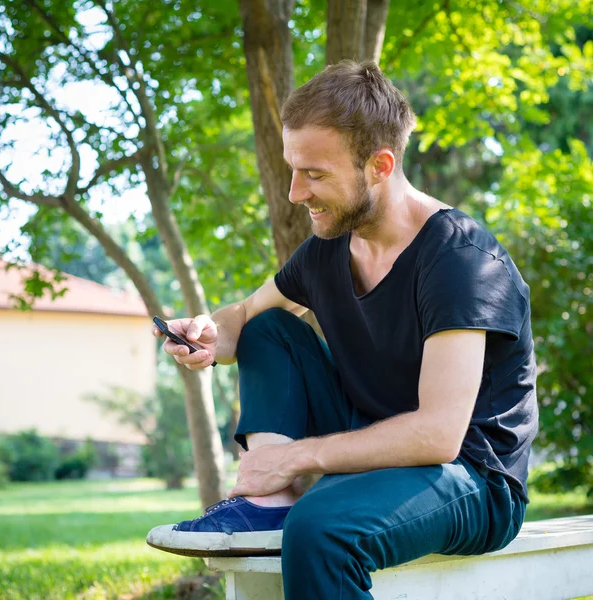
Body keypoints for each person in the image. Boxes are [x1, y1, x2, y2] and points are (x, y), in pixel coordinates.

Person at [146, 60, 538, 599]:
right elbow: (243, 316)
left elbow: (438, 435)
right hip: (373, 440)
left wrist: (294, 457)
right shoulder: (325, 252)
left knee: (323, 529)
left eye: (314, 173)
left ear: (379, 165)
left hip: (472, 478)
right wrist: (212, 332)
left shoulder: (460, 261)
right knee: (271, 327)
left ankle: (291, 500)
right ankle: (268, 506)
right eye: (292, 168)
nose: (294, 193)